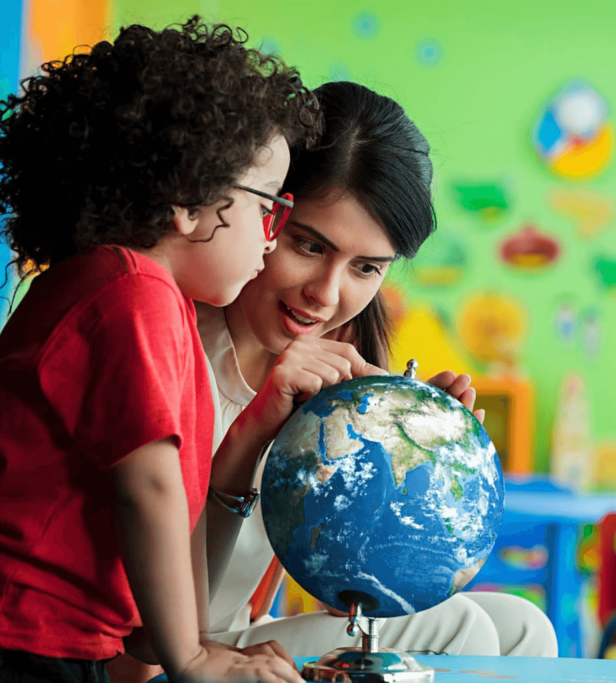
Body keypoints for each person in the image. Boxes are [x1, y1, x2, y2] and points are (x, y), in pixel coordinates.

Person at [107, 80, 557, 683]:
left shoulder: (338, 369)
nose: (326, 293)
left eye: (366, 267)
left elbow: (340, 599)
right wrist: (249, 438)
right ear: (266, 213)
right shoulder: (170, 340)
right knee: (461, 630)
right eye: (309, 245)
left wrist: (419, 478)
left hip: (233, 639)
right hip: (152, 661)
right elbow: (155, 640)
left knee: (524, 627)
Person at [0, 18, 321, 683]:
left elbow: (163, 506)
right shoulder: (129, 291)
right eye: (267, 207)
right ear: (188, 200)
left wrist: (189, 640)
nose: (270, 239)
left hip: (56, 635)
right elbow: (147, 488)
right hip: (24, 634)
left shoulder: (147, 297)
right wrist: (193, 657)